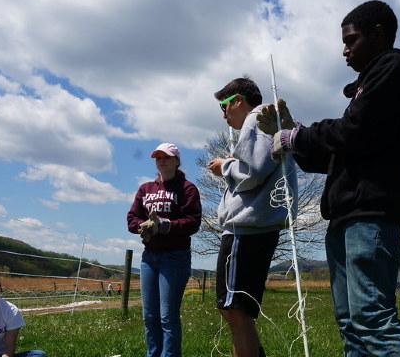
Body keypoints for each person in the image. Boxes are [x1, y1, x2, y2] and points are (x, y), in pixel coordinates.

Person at [257, 0, 400, 356]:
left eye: (350, 40)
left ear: (378, 33)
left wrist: (298, 135)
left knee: (373, 320)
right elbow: (338, 154)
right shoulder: (368, 86)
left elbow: (352, 131)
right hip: (346, 216)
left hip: (371, 215)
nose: (344, 51)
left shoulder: (394, 70)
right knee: (350, 323)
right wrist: (293, 140)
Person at [207, 77, 297, 357]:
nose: (223, 115)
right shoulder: (262, 123)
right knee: (233, 308)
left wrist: (226, 166)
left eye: (224, 107)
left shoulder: (259, 117)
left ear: (237, 100)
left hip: (246, 232)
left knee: (236, 309)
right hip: (248, 230)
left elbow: (253, 171)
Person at [127, 142, 202, 357]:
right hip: (149, 258)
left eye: (167, 157)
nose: (162, 161)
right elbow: (132, 218)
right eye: (158, 157)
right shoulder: (146, 189)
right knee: (149, 316)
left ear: (177, 161)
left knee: (167, 317)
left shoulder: (187, 189)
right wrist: (143, 227)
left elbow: (193, 222)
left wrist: (164, 225)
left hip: (175, 257)